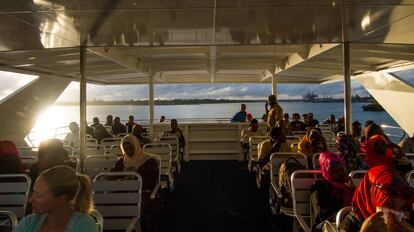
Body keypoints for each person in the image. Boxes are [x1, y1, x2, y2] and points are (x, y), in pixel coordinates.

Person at [15, 165, 98, 232]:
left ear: (60, 199)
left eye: (38, 196)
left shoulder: (85, 225)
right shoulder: (28, 223)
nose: (30, 200)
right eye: (33, 192)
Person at [340, 166, 414, 232]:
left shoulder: (409, 221)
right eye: (390, 205)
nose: (398, 213)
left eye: (404, 208)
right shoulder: (352, 224)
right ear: (372, 200)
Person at [112, 135, 159, 231]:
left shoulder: (148, 160)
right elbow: (113, 176)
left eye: (131, 148)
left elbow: (151, 181)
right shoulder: (121, 162)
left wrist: (132, 184)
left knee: (137, 205)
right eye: (126, 149)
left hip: (141, 192)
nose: (129, 151)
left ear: (136, 146)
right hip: (123, 192)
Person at [310, 152, 354, 231]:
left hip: (347, 222)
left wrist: (353, 190)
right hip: (326, 225)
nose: (340, 171)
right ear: (325, 168)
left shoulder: (347, 188)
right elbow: (319, 216)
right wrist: (342, 215)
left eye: (341, 166)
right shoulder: (320, 186)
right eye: (333, 167)